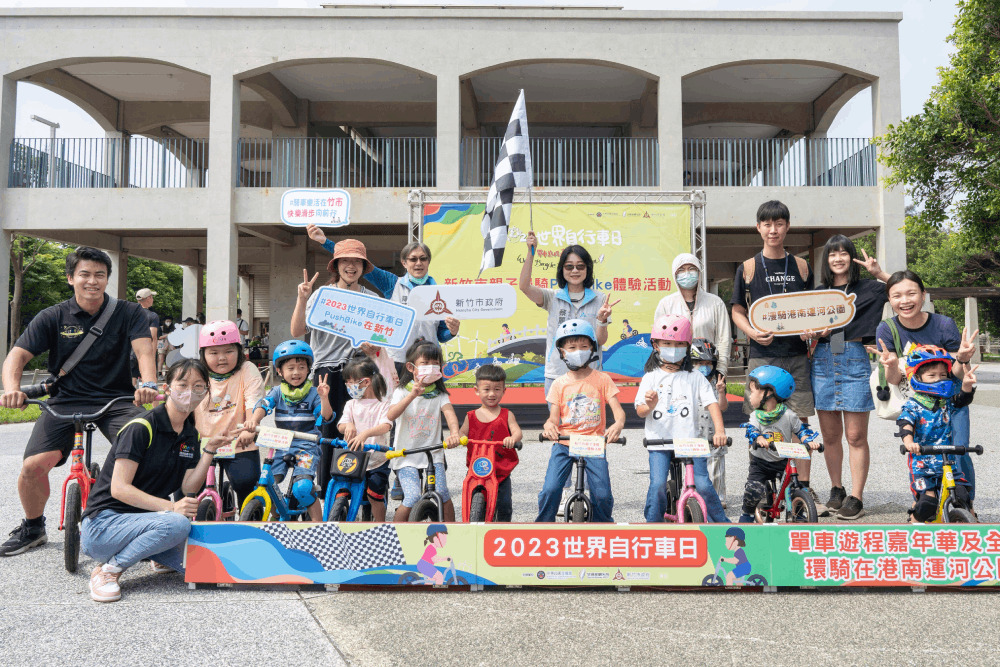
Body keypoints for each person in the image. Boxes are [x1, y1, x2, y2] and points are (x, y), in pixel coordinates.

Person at [0, 246, 158, 557]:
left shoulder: (129, 312)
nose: (92, 281)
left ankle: (137, 521)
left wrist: (149, 383)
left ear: (107, 279)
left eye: (100, 275)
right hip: (64, 400)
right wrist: (11, 389)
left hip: (117, 399)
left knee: (141, 449)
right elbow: (17, 356)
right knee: (33, 466)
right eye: (84, 274)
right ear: (71, 278)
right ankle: (33, 527)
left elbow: (144, 352)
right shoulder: (52, 316)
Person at [81, 359, 222, 603]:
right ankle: (108, 571)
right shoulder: (141, 427)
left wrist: (209, 450)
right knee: (178, 525)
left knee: (210, 572)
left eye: (199, 386)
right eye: (183, 384)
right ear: (167, 388)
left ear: (206, 392)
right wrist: (171, 507)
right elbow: (119, 488)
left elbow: (188, 487)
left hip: (146, 523)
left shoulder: (190, 434)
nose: (191, 392)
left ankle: (155, 554)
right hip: (103, 527)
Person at [730, 201, 819, 502]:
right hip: (762, 356)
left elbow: (812, 310)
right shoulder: (748, 267)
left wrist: (811, 329)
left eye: (779, 224)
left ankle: (802, 486)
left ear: (787, 227)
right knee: (759, 419)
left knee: (800, 420)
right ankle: (761, 481)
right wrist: (751, 332)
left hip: (795, 356)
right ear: (758, 227)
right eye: (767, 224)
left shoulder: (802, 266)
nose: (773, 230)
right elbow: (737, 310)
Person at [520, 233, 616, 513]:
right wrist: (531, 251)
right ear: (562, 270)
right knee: (562, 433)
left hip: (591, 378)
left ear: (588, 270)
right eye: (569, 266)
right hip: (558, 377)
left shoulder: (599, 299)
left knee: (588, 427)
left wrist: (601, 319)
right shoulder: (553, 297)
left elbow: (601, 340)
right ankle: (563, 491)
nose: (575, 271)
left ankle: (590, 487)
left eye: (580, 266)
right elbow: (524, 286)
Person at [873, 270, 979, 502]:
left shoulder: (943, 324)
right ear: (890, 300)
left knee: (959, 451)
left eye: (911, 293)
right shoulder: (886, 328)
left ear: (923, 295)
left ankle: (965, 504)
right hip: (919, 403)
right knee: (921, 453)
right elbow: (893, 380)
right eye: (897, 296)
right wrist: (890, 365)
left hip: (951, 401)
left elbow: (955, 374)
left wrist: (961, 358)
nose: (905, 301)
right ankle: (924, 500)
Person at [805, 235, 890, 520]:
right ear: (826, 260)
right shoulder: (819, 293)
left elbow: (906, 292)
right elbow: (805, 326)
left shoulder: (870, 288)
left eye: (844, 253)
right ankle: (836, 489)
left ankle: (856, 496)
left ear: (851, 258)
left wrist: (878, 273)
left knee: (855, 436)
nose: (838, 258)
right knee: (830, 435)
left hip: (854, 358)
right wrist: (811, 332)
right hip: (823, 360)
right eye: (832, 254)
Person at [306, 225, 460, 375]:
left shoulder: (439, 294)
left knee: (430, 400)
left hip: (429, 363)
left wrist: (452, 332)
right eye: (413, 259)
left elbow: (441, 335)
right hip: (398, 361)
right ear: (404, 263)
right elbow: (356, 260)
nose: (418, 263)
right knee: (398, 401)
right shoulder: (392, 283)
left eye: (423, 259)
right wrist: (325, 242)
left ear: (428, 262)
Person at [292, 238, 380, 493]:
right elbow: (298, 330)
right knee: (329, 428)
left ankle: (359, 487)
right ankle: (328, 487)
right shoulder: (321, 296)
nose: (351, 266)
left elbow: (380, 345)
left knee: (360, 428)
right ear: (336, 265)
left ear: (364, 267)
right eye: (346, 261)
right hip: (326, 371)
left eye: (357, 262)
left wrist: (371, 348)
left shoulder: (372, 299)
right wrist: (302, 298)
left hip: (360, 372)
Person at [635, 316, 729, 523]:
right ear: (656, 345)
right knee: (658, 484)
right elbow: (641, 411)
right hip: (659, 442)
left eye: (678, 344)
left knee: (703, 484)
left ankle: (722, 524)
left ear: (687, 347)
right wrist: (649, 405)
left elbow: (712, 403)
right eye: (667, 343)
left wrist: (720, 431)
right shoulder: (650, 377)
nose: (673, 348)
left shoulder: (694, 377)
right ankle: (652, 524)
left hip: (691, 442)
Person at [654, 252, 732, 498]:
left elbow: (724, 337)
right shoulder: (666, 303)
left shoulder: (715, 302)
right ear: (674, 275)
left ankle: (716, 496)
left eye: (692, 268)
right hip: (677, 373)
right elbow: (659, 338)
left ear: (700, 272)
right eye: (682, 270)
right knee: (681, 424)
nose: (687, 274)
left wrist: (721, 370)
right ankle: (683, 491)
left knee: (711, 433)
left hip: (708, 372)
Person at [536, 319, 626, 523]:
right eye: (572, 347)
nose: (578, 351)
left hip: (593, 444)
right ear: (562, 351)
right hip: (564, 443)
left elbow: (619, 413)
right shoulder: (559, 384)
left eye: (584, 346)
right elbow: (553, 418)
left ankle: (603, 528)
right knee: (550, 489)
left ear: (592, 348)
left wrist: (618, 424)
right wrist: (549, 426)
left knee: (602, 495)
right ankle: (542, 528)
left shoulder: (603, 379)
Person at [243, 340, 332, 522]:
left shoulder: (314, 393)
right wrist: (253, 420)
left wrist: (324, 398)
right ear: (279, 371)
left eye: (301, 367)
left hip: (306, 445)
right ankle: (277, 521)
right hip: (281, 443)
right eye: (290, 368)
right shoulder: (277, 391)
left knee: (303, 488)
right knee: (268, 481)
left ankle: (320, 527)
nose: (296, 372)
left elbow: (325, 417)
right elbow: (264, 405)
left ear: (308, 370)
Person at [894, 346, 977, 522]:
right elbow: (905, 424)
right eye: (932, 376)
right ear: (917, 378)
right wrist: (909, 442)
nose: (939, 379)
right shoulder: (913, 405)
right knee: (927, 504)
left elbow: (961, 401)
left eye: (943, 375)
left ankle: (966, 523)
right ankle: (914, 522)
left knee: (963, 495)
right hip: (924, 464)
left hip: (948, 462)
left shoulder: (946, 401)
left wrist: (967, 386)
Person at [384, 340, 462, 522]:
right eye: (425, 363)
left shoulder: (440, 393)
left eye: (435, 363)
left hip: (433, 454)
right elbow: (391, 415)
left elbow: (450, 414)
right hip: (405, 455)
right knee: (411, 497)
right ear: (411, 367)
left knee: (442, 493)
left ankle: (452, 532)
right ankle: (395, 535)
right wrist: (412, 395)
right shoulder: (402, 391)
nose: (431, 367)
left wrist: (454, 433)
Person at [192, 320, 265, 508]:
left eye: (229, 351)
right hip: (202, 441)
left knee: (245, 482)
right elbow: (182, 403)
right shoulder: (196, 372)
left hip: (238, 440)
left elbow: (254, 401)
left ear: (239, 351)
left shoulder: (247, 369)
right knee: (187, 488)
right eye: (214, 353)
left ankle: (247, 526)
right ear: (203, 354)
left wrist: (251, 425)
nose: (222, 358)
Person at [738, 366, 821, 523]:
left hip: (782, 460)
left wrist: (808, 441)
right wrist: (758, 438)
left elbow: (800, 430)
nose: (750, 396)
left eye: (753, 391)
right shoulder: (756, 415)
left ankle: (800, 510)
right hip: (760, 463)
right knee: (753, 490)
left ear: (767, 394)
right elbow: (752, 429)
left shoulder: (788, 415)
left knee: (795, 486)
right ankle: (746, 515)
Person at [458, 365, 524, 522]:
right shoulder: (471, 416)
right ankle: (471, 524)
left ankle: (503, 530)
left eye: (497, 389)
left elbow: (518, 432)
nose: (492, 394)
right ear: (476, 390)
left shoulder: (507, 415)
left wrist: (512, 439)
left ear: (504, 391)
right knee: (470, 498)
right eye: (486, 389)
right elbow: (462, 433)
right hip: (478, 468)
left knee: (504, 505)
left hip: (500, 470)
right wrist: (460, 438)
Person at [338, 355, 393, 522]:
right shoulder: (351, 404)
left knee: (375, 495)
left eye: (351, 381)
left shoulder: (384, 404)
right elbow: (341, 425)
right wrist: (348, 425)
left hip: (377, 460)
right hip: (353, 457)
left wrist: (365, 433)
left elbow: (386, 426)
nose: (348, 386)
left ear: (366, 382)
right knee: (340, 490)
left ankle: (381, 527)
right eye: (346, 382)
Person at [690, 338, 730, 505]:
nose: (705, 366)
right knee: (693, 468)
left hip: (713, 434)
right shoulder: (687, 381)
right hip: (693, 434)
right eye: (700, 363)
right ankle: (694, 498)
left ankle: (718, 499)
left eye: (708, 363)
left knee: (716, 469)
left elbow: (722, 407)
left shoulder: (716, 382)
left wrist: (721, 393)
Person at [130, 288, 160, 385]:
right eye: (152, 297)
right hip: (145, 352)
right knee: (150, 379)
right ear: (148, 298)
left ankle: (130, 399)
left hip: (131, 351)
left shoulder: (130, 313)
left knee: (132, 378)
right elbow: (153, 337)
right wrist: (153, 357)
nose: (153, 300)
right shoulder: (152, 316)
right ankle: (153, 400)